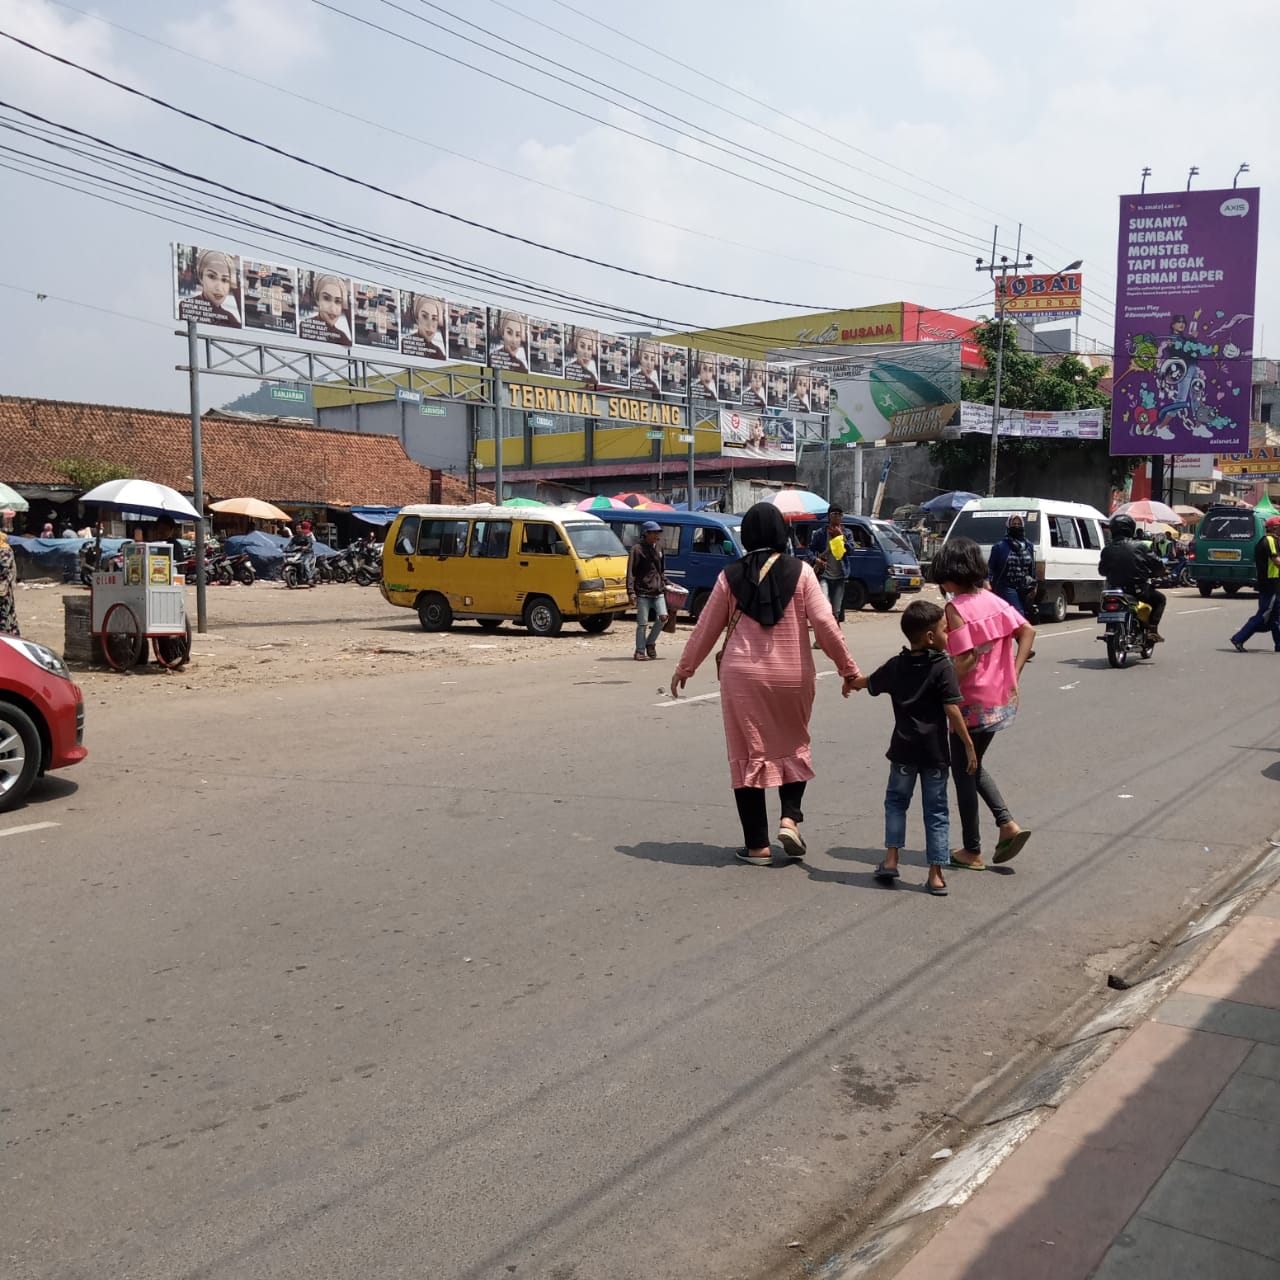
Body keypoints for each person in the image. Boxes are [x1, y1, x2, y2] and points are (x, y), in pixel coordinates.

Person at [669, 503, 862, 865]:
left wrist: (685, 667)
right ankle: (790, 818)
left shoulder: (730, 576)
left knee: (747, 753)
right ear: (780, 533)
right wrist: (848, 670)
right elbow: (826, 624)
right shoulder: (803, 573)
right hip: (793, 675)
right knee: (794, 742)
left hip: (742, 677)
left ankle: (757, 845)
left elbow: (707, 627)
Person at [853, 599, 976, 896]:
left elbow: (869, 682)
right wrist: (969, 747)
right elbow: (952, 710)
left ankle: (891, 860)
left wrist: (850, 684)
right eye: (945, 631)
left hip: (903, 752)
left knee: (896, 803)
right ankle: (935, 875)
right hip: (935, 754)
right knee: (936, 812)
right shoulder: (942, 667)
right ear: (931, 637)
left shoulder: (897, 665)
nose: (949, 636)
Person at [933, 537, 1036, 870]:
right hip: (999, 699)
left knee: (965, 771)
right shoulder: (994, 600)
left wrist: (937, 691)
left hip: (969, 701)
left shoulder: (957, 608)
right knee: (972, 765)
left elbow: (962, 660)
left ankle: (972, 849)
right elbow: (1028, 632)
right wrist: (1014, 675)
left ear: (952, 573)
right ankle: (1005, 824)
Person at [1099, 513, 1166, 642]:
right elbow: (1158, 566)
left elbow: (1102, 571)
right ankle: (1152, 630)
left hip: (1114, 590)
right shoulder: (1140, 546)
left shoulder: (1107, 549)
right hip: (1137, 590)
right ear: (1130, 529)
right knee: (1160, 599)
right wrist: (1159, 573)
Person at [1231, 516, 1280, 652]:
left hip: (1273, 583)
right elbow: (1276, 561)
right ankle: (1239, 638)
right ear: (1275, 528)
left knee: (1276, 617)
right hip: (1270, 584)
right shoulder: (1269, 541)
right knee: (1264, 614)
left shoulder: (1272, 541)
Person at [627, 521, 668, 661]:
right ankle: (639, 651)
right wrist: (631, 592)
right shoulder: (637, 549)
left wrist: (667, 583)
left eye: (658, 532)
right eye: (653, 532)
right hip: (643, 591)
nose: (656, 535)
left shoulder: (660, 548)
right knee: (642, 623)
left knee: (663, 617)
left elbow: (661, 570)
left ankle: (650, 642)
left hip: (658, 590)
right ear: (646, 533)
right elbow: (631, 572)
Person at [808, 506, 848, 642]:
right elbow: (809, 551)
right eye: (834, 514)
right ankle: (821, 639)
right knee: (824, 609)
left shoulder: (846, 533)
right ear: (829, 516)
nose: (837, 517)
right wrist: (816, 560)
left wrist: (841, 538)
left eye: (839, 514)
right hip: (824, 576)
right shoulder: (820, 533)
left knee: (835, 611)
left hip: (840, 577)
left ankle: (835, 639)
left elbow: (851, 551)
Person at [987, 514, 1036, 620]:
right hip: (1005, 587)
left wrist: (1034, 584)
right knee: (1019, 615)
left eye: (1019, 524)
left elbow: (1032, 567)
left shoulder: (1029, 546)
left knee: (1017, 616)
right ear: (1008, 526)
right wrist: (987, 582)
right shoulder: (1000, 547)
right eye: (1014, 524)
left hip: (1023, 587)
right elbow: (990, 568)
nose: (1016, 526)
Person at [0, 530, 20, 635]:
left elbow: (4, 568)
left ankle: (7, 636)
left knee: (4, 613)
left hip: (3, 590)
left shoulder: (4, 550)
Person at [288, 520, 317, 587]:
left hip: (307, 553)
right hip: (297, 554)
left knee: (305, 564)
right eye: (296, 529)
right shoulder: (294, 538)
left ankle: (309, 579)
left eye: (299, 529)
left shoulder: (306, 537)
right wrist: (285, 549)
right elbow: (290, 545)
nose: (298, 530)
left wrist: (306, 547)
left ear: (302, 529)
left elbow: (310, 543)